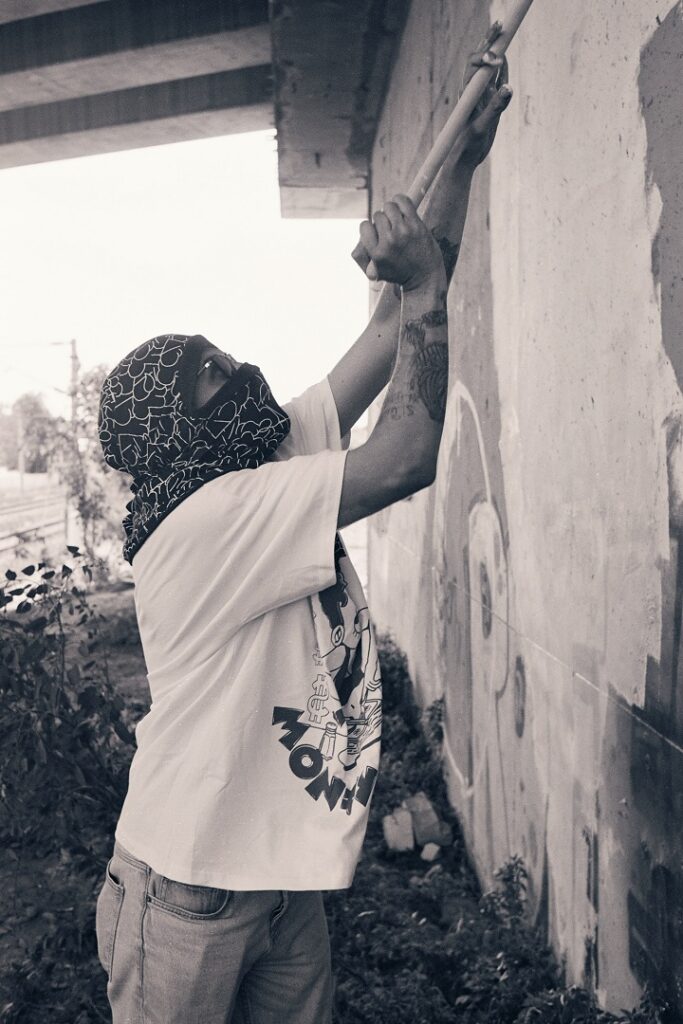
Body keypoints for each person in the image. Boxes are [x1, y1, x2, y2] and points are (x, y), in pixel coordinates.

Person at [94, 27, 511, 1024]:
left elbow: (384, 334)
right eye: (204, 372)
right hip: (191, 888)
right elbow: (405, 453)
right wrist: (418, 287)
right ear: (175, 434)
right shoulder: (205, 517)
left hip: (272, 879)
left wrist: (456, 155)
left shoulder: (255, 453)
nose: (232, 367)